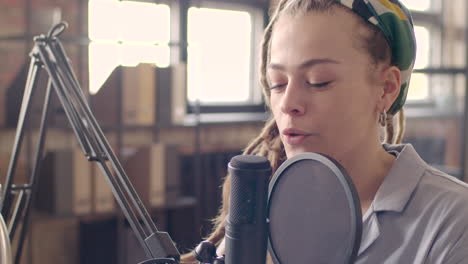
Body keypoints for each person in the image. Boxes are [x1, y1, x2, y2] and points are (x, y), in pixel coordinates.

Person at [182, 0, 468, 263]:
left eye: (319, 81)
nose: (288, 104)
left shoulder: (454, 223)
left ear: (386, 89)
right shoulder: (260, 215)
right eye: (278, 83)